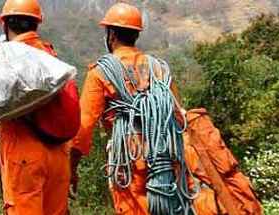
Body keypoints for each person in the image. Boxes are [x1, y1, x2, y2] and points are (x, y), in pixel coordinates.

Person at [71, 3, 193, 214]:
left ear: (111, 35)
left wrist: (70, 167)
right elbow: (178, 118)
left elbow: (84, 126)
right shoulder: (159, 68)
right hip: (166, 153)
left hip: (128, 157)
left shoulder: (100, 73)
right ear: (136, 35)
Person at [0, 0, 78, 214]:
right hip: (59, 156)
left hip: (24, 158)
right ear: (37, 24)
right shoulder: (51, 56)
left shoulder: (1, 54)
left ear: (4, 24)